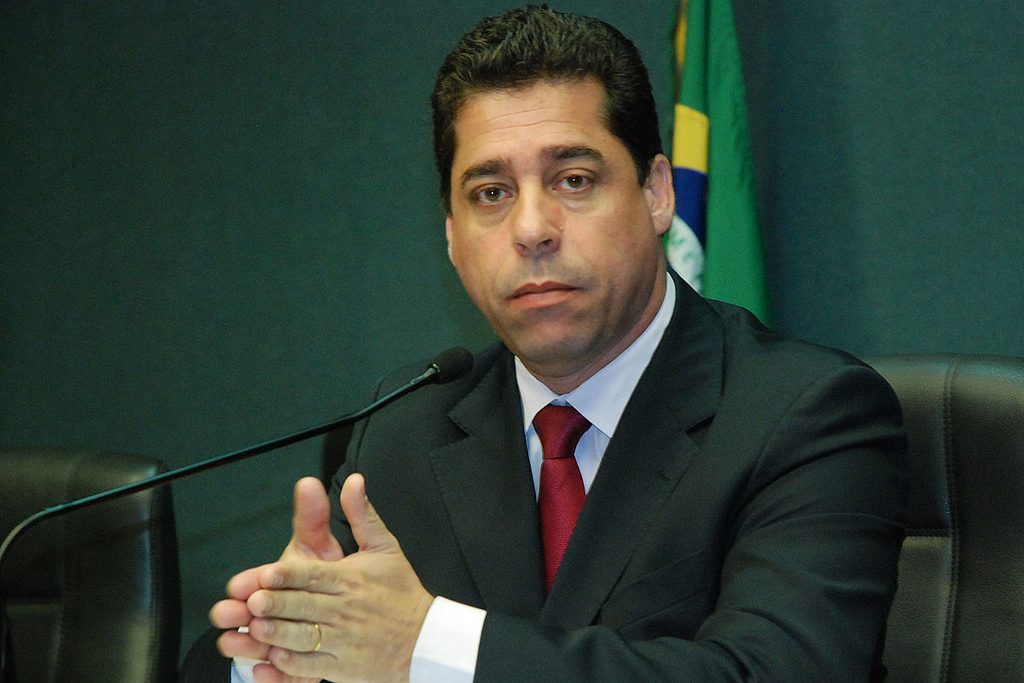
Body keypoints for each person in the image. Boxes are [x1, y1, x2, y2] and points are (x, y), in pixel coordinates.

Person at [210, 6, 908, 681]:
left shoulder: (806, 414)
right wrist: (285, 651)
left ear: (657, 193)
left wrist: (423, 645)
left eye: (574, 180)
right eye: (491, 193)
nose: (532, 229)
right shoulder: (403, 432)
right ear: (450, 235)